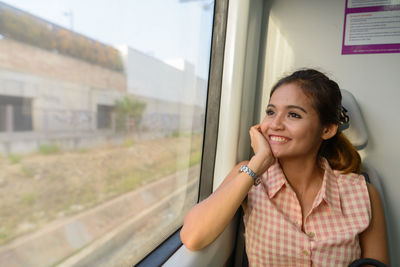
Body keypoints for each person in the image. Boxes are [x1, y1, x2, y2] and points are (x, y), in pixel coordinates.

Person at [180, 69, 389, 266]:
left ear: (327, 130)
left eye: (294, 115)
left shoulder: (363, 194)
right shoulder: (250, 176)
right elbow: (193, 236)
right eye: (271, 112)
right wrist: (259, 161)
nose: (275, 124)